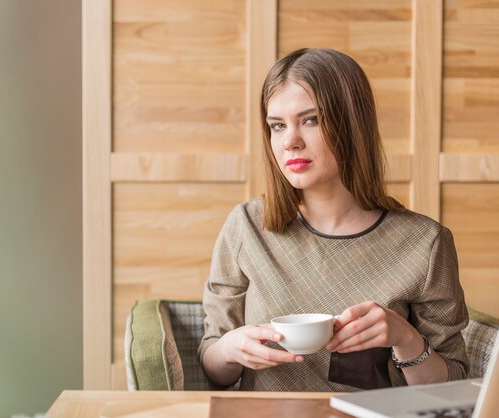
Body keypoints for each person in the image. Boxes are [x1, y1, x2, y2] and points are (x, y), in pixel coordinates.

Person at [197, 48, 469, 392]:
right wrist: (229, 350)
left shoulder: (425, 242)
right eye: (277, 126)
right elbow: (213, 367)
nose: (290, 142)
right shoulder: (246, 226)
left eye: (310, 120)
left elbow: (457, 383)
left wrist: (406, 338)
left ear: (352, 124)